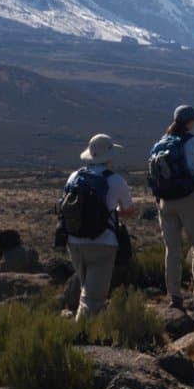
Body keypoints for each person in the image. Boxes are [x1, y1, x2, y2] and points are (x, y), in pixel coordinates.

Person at [56, 133, 136, 320]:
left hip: (74, 242)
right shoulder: (116, 181)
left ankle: (89, 332)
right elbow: (128, 210)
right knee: (92, 299)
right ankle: (82, 338)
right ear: (109, 157)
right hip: (103, 243)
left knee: (87, 290)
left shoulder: (74, 177)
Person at [148, 105, 194, 310]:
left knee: (172, 250)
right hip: (188, 199)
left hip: (164, 202)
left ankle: (175, 298)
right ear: (189, 122)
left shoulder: (160, 143)